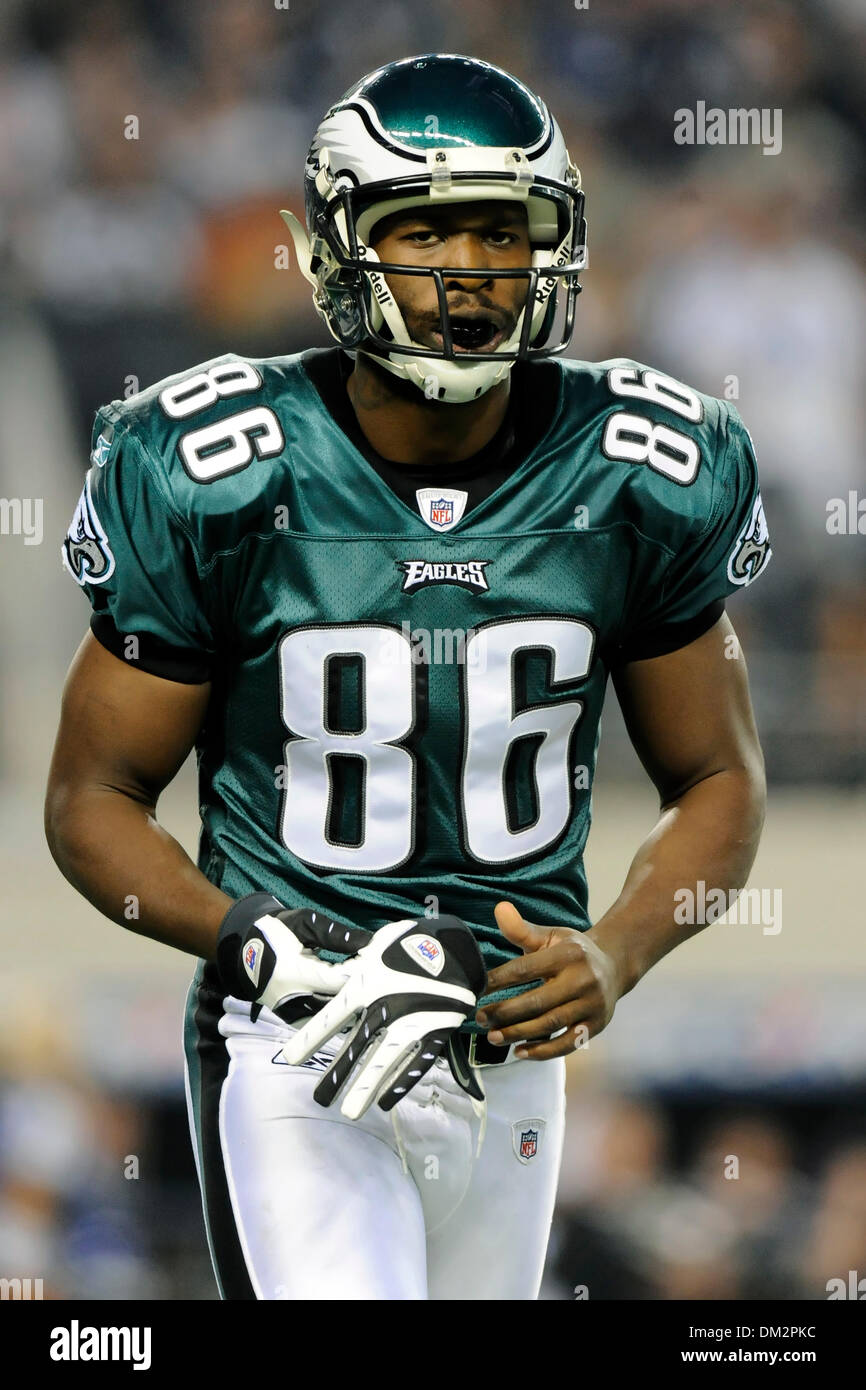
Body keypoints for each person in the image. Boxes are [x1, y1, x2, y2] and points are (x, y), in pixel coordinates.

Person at [45, 54, 770, 1301]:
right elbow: (91, 797)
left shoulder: (640, 464)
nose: (466, 267)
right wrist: (257, 936)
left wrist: (613, 955)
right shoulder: (213, 463)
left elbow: (716, 775)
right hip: (295, 1036)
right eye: (422, 226)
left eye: (500, 230)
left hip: (508, 1043)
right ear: (336, 244)